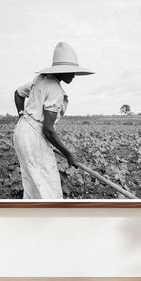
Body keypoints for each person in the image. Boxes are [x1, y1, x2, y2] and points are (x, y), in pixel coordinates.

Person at [13, 42, 94, 199]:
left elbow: (18, 93)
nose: (73, 75)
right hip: (33, 136)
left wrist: (22, 115)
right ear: (60, 71)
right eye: (70, 72)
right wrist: (69, 154)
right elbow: (48, 130)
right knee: (48, 184)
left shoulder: (40, 80)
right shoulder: (56, 90)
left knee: (32, 181)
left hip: (22, 131)